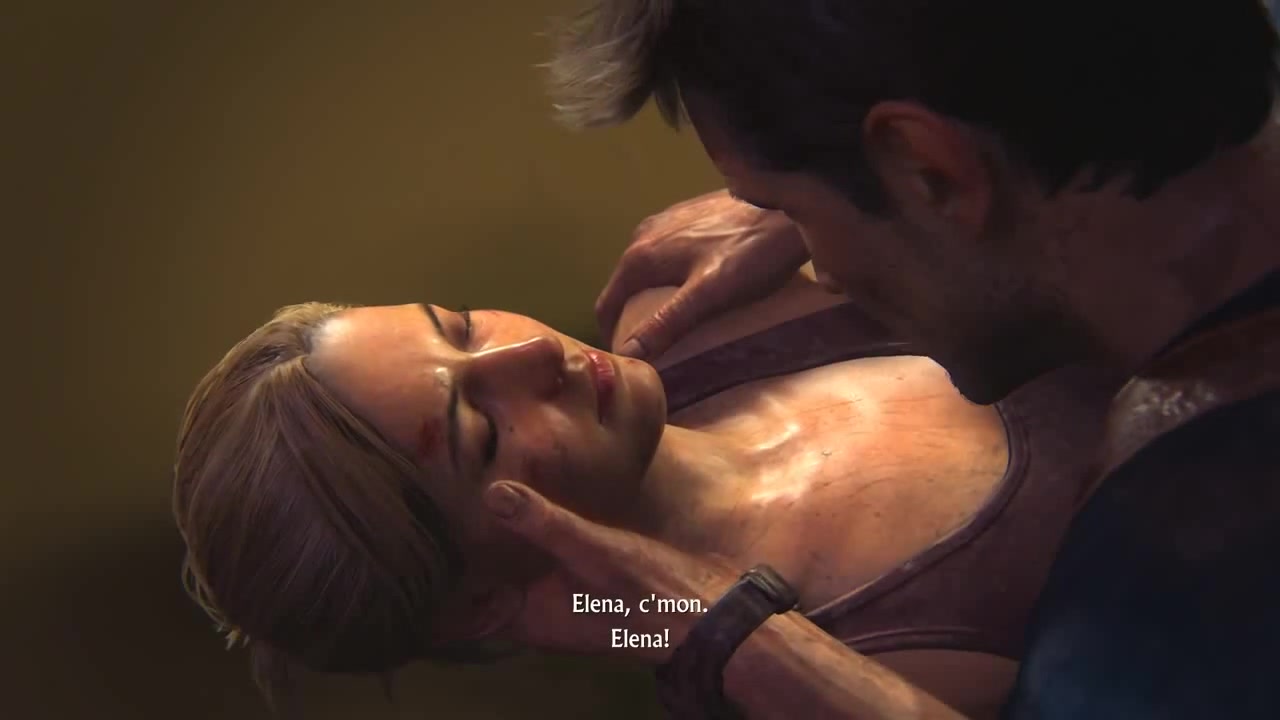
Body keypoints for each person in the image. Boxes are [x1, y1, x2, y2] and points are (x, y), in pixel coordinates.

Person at [508, 0, 1280, 718]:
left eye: (783, 207)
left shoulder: (1165, 625)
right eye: (478, 433)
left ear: (926, 165)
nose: (819, 267)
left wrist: (730, 635)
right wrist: (864, 190)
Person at [172, 268, 1117, 718]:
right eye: (480, 429)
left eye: (458, 328)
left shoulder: (693, 303)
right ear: (484, 603)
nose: (532, 351)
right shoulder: (811, 678)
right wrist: (718, 628)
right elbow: (646, 626)